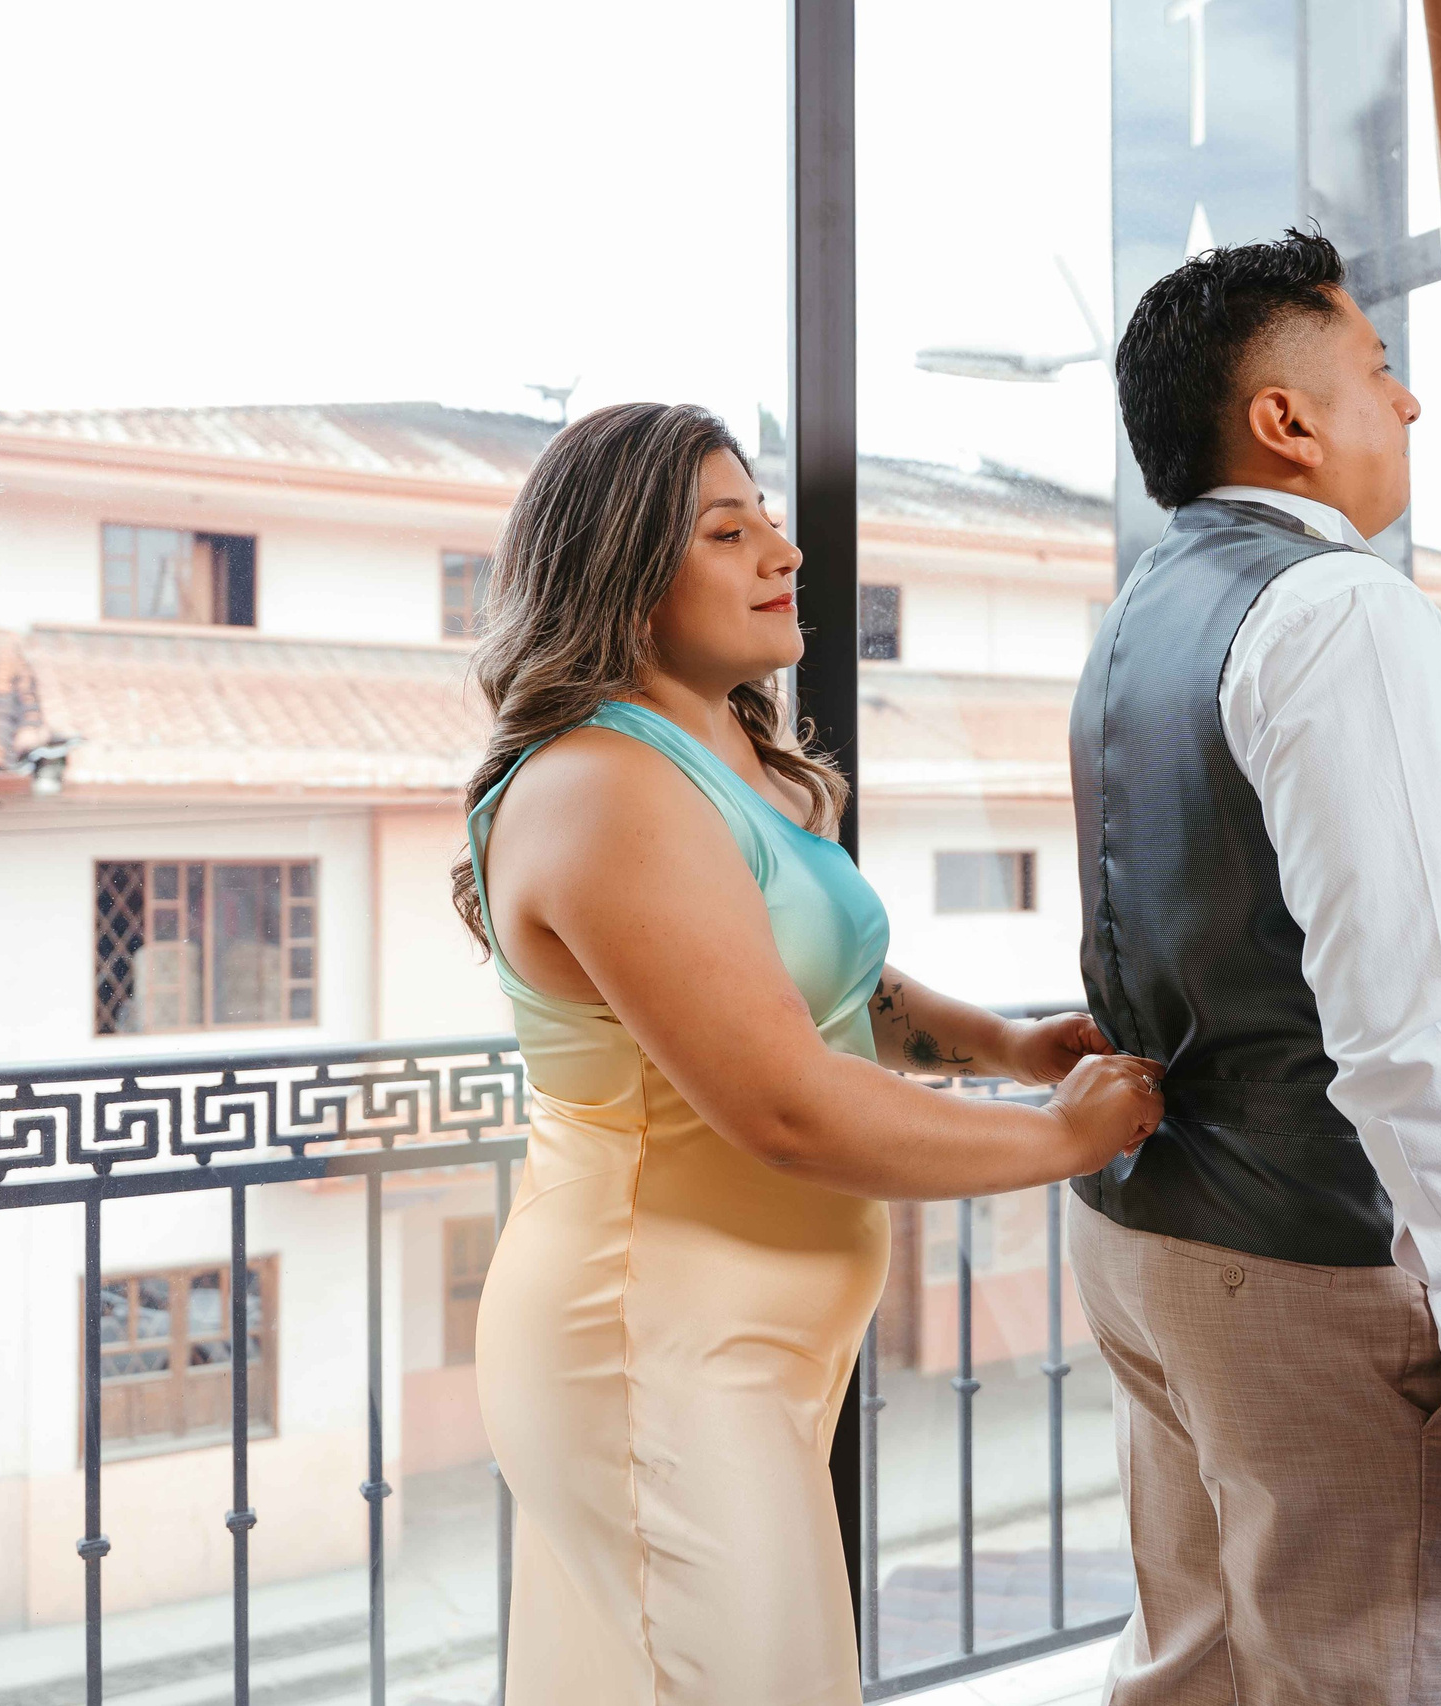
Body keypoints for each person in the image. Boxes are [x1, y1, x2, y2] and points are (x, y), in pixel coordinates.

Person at [457, 400, 1162, 1706]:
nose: (783, 553)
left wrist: (997, 1042)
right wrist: (1062, 1135)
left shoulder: (718, 750)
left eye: (770, 519)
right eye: (731, 531)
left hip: (741, 1345)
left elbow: (814, 975)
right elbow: (781, 1103)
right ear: (620, 573)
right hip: (649, 1345)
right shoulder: (604, 785)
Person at [1068, 229, 1441, 1704]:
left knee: (1192, 1667)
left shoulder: (1138, 619)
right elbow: (1407, 1014)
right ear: (1286, 422)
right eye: (1380, 369)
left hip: (1146, 1244)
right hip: (1311, 1267)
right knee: (1366, 1673)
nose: (1413, 403)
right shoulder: (1342, 612)